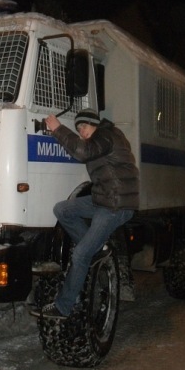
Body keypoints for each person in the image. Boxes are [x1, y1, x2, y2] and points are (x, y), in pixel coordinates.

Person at [31, 109, 140, 319]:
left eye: (84, 127)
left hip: (116, 204)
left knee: (80, 254)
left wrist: (58, 129)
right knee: (62, 209)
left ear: (94, 124)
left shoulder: (106, 135)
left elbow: (82, 152)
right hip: (104, 198)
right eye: (78, 129)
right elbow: (82, 150)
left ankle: (64, 307)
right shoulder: (101, 138)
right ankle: (96, 250)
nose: (81, 132)